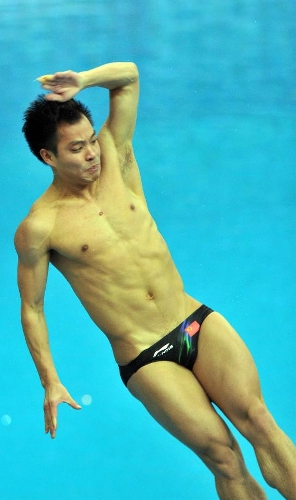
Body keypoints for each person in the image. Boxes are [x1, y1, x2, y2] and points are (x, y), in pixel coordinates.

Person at [15, 62, 296, 500]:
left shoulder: (116, 156)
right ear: (47, 156)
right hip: (146, 355)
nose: (91, 154)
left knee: (260, 422)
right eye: (76, 149)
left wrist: (83, 82)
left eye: (91, 141)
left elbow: (127, 76)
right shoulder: (41, 227)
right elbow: (32, 308)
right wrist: (50, 379)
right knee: (224, 457)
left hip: (192, 319)